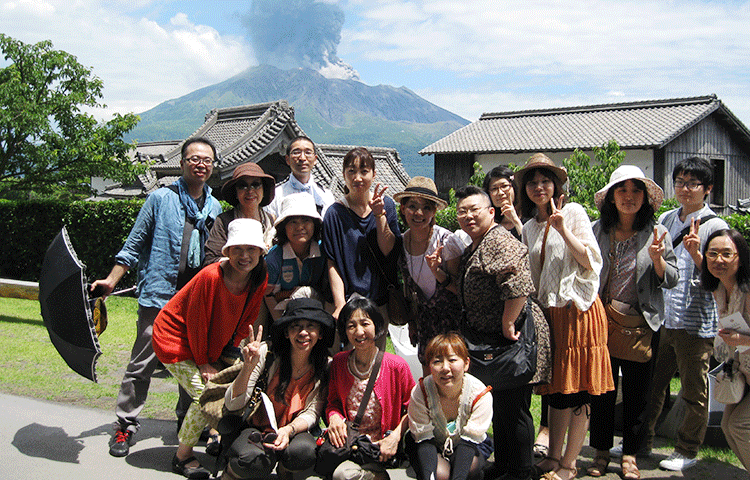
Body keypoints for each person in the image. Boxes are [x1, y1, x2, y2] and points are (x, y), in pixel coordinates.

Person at [91, 137, 223, 457]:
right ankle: (125, 425)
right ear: (182, 164)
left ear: (213, 165)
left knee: (187, 362)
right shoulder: (161, 199)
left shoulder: (215, 206)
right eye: (193, 159)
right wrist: (111, 280)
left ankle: (184, 421)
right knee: (142, 362)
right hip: (158, 295)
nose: (200, 164)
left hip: (194, 300)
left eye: (206, 159)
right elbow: (133, 245)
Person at [518, 153, 613, 480]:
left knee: (579, 390)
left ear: (556, 184)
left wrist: (562, 229)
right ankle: (554, 457)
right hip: (550, 316)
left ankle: (570, 464)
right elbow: (531, 276)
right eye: (532, 182)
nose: (539, 187)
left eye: (545, 180)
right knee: (558, 389)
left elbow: (591, 261)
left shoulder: (572, 212)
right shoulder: (529, 227)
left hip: (578, 313)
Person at [152, 218, 268, 478]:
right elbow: (196, 323)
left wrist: (230, 353)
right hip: (173, 338)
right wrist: (204, 361)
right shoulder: (211, 276)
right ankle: (182, 456)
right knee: (204, 395)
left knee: (235, 385)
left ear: (261, 252)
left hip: (210, 343)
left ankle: (220, 438)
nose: (245, 256)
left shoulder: (259, 276)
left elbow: (246, 318)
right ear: (227, 252)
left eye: (252, 249)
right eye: (238, 249)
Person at [587, 166, 679, 479]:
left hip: (641, 324)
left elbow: (673, 278)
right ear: (611, 196)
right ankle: (600, 451)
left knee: (639, 393)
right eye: (622, 190)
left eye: (635, 190)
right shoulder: (597, 229)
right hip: (601, 320)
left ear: (645, 198)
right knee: (601, 390)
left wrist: (658, 260)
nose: (629, 197)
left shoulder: (657, 233)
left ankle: (630, 454)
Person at [455, 185, 548, 480]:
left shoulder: (499, 240)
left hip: (513, 337)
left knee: (515, 408)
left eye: (474, 210)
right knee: (502, 407)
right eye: (462, 211)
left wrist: (508, 321)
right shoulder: (479, 242)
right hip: (495, 339)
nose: (468, 216)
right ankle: (505, 464)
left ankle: (521, 470)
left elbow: (518, 282)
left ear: (491, 212)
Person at [641, 156, 728, 471]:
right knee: (652, 386)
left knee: (693, 392)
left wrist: (697, 254)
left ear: (707, 189)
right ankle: (642, 441)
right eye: (680, 182)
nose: (685, 189)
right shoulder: (665, 220)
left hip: (696, 322)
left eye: (693, 183)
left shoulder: (717, 227)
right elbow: (658, 266)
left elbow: (722, 275)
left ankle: (687, 451)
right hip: (664, 317)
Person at [222, 298, 334, 480]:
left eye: (310, 326)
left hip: (294, 431)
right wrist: (247, 368)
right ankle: (231, 473)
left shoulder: (325, 366)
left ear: (320, 333)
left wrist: (289, 430)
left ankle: (286, 470)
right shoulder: (266, 354)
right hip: (256, 429)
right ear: (286, 332)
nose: (303, 332)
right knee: (251, 459)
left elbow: (313, 412)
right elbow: (233, 403)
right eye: (295, 326)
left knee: (304, 452)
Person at [325, 296, 415, 480]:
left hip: (382, 448)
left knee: (343, 475)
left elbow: (415, 407)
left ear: (377, 325)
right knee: (341, 474)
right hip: (352, 445)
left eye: (365, 323)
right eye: (351, 326)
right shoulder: (339, 363)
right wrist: (334, 418)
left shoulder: (396, 366)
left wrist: (395, 436)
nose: (359, 332)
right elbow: (332, 403)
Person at [322, 147, 402, 343]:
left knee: (376, 361)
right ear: (343, 175)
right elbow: (332, 262)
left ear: (374, 174)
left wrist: (379, 215)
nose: (357, 177)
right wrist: (340, 303)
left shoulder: (387, 206)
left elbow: (388, 250)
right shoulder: (334, 213)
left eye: (364, 171)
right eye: (351, 171)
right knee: (344, 360)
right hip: (347, 301)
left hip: (378, 302)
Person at [392, 177, 461, 367]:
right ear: (403, 208)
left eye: (427, 208)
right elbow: (409, 289)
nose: (419, 213)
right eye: (412, 206)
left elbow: (459, 290)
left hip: (451, 325)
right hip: (424, 324)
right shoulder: (402, 242)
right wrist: (412, 322)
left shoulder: (447, 241)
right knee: (428, 384)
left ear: (434, 212)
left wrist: (437, 271)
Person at [406, 333, 493, 480]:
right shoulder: (421, 392)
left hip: (469, 445)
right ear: (429, 366)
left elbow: (468, 443)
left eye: (452, 360)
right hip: (429, 444)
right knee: (440, 475)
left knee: (471, 468)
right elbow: (424, 440)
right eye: (437, 362)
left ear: (466, 364)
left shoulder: (480, 394)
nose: (445, 368)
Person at [701, 229, 750, 473]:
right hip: (743, 371)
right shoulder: (721, 289)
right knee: (729, 427)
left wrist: (743, 339)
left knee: (741, 426)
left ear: (740, 257)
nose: (718, 260)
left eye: (726, 254)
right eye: (712, 254)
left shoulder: (748, 290)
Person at [263, 192, 328, 322]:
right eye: (293, 222)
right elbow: (268, 295)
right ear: (284, 227)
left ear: (314, 225)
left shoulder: (323, 251)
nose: (299, 227)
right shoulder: (274, 257)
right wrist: (280, 325)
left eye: (305, 220)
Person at [205, 162, 277, 264]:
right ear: (235, 192)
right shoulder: (224, 221)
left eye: (255, 185)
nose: (250, 191)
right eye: (243, 186)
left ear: (263, 190)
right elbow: (210, 259)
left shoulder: (270, 220)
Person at [265, 135, 335, 218]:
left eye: (308, 152)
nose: (302, 158)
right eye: (296, 152)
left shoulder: (325, 195)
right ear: (287, 159)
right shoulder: (276, 195)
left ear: (315, 159)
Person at [482, 165, 524, 238]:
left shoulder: (530, 218)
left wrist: (515, 220)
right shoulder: (488, 223)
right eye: (494, 189)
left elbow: (531, 245)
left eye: (504, 186)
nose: (500, 193)